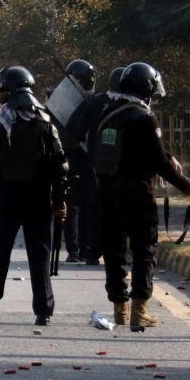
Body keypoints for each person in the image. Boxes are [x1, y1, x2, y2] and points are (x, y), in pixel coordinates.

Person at [95, 62, 190, 332]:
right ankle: (139, 311)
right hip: (138, 195)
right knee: (144, 251)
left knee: (114, 252)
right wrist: (187, 186)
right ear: (147, 88)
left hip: (108, 194)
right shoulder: (144, 118)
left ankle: (119, 309)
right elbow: (160, 163)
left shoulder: (107, 113)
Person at [0, 66, 68, 327]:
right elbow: (60, 166)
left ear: (9, 90)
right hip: (39, 197)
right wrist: (60, 202)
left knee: (0, 251)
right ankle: (43, 312)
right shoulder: (46, 121)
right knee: (40, 254)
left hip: (8, 197)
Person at [65, 65, 125, 265]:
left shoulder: (96, 102)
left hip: (96, 164)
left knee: (93, 206)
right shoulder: (136, 108)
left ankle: (91, 251)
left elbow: (75, 130)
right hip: (124, 167)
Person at [53, 59, 96, 263]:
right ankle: (77, 248)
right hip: (71, 156)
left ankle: (81, 248)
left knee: (82, 204)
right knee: (75, 204)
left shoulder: (91, 100)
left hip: (82, 158)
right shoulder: (58, 102)